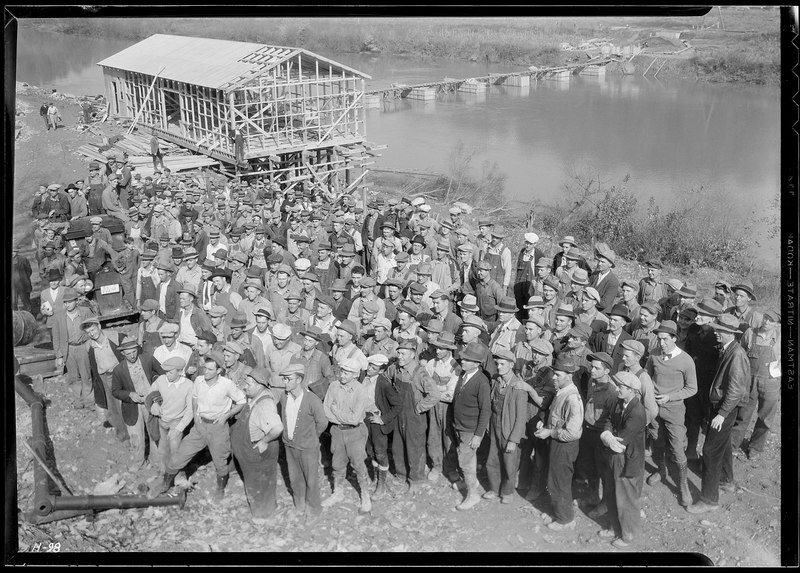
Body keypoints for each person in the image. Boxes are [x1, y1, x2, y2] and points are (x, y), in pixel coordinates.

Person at [154, 352, 246, 500]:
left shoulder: (227, 385)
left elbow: (242, 401)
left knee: (220, 462)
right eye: (205, 368)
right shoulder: (198, 381)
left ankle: (220, 489)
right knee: (179, 456)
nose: (205, 372)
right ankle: (165, 484)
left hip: (218, 428)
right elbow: (195, 397)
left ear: (219, 371)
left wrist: (226, 416)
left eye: (210, 369)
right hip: (200, 426)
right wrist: (196, 415)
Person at [687, 314, 749, 514]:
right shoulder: (727, 349)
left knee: (711, 451)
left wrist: (722, 413)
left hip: (725, 409)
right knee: (722, 445)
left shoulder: (736, 354)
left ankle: (709, 499)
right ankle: (726, 480)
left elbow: (736, 389)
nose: (715, 334)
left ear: (729, 333)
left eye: (719, 331)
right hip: (722, 407)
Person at [644, 320, 697, 508]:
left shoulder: (686, 360)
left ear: (675, 338)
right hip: (654, 408)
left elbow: (692, 388)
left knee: (676, 447)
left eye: (666, 339)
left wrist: (670, 396)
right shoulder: (654, 355)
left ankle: (683, 485)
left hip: (674, 409)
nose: (662, 344)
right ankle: (661, 470)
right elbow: (647, 375)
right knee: (656, 440)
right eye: (659, 339)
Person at [598, 371, 648, 548]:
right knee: (611, 492)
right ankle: (614, 526)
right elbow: (609, 420)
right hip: (614, 456)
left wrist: (608, 438)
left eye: (621, 387)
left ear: (632, 390)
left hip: (627, 460)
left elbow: (621, 440)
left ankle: (629, 534)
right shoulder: (620, 402)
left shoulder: (637, 412)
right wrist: (607, 433)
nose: (617, 389)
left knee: (626, 498)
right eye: (618, 385)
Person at [534, 355, 584, 531]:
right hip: (557, 443)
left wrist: (550, 432)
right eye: (554, 374)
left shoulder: (572, 398)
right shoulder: (561, 391)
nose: (553, 378)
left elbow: (573, 432)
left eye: (558, 375)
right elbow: (557, 417)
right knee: (554, 479)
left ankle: (565, 519)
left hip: (565, 446)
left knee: (559, 483)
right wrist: (546, 424)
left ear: (569, 376)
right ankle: (558, 512)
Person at [230, 367, 284, 523]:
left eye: (249, 384)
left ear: (260, 385)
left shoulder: (264, 405)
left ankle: (263, 516)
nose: (245, 386)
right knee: (260, 481)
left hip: (258, 451)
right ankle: (268, 507)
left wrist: (264, 441)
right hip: (249, 450)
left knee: (260, 482)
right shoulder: (254, 397)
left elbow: (277, 428)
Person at [386, 338, 440, 491]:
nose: (400, 357)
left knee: (414, 448)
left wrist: (419, 408)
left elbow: (434, 395)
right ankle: (401, 475)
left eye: (403, 354)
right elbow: (385, 379)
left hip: (414, 417)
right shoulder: (395, 368)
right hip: (399, 414)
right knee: (398, 446)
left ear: (412, 355)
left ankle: (416, 479)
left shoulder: (419, 373)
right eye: (399, 353)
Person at [321, 358, 373, 513]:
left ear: (356, 375)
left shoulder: (360, 390)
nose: (342, 375)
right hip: (337, 431)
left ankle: (365, 495)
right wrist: (339, 416)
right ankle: (338, 492)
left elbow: (354, 419)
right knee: (337, 463)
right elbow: (326, 411)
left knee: (358, 463)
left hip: (355, 432)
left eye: (347, 372)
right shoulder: (333, 386)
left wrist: (337, 411)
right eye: (342, 371)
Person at [279, 364, 328, 522]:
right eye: (284, 378)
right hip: (290, 445)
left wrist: (313, 436)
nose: (285, 382)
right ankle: (299, 505)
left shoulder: (312, 399)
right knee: (295, 478)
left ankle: (314, 510)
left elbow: (322, 422)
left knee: (311, 479)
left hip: (307, 447)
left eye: (288, 379)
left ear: (299, 379)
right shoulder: (284, 396)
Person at [730, 309, 781, 461]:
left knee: (765, 418)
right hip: (749, 380)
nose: (766, 322)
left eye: (770, 320)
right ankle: (732, 446)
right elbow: (740, 354)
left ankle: (755, 448)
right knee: (742, 414)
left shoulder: (780, 337)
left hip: (770, 381)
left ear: (777, 324)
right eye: (765, 318)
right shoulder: (750, 333)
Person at [111, 337, 165, 469]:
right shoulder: (119, 369)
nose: (132, 356)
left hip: (150, 403)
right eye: (128, 353)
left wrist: (154, 387)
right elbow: (115, 391)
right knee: (136, 437)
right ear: (123, 354)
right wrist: (130, 394)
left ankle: (156, 461)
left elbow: (162, 374)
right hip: (132, 407)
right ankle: (138, 462)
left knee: (154, 433)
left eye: (134, 352)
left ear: (137, 349)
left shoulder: (148, 359)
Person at [450, 342, 492, 511]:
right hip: (459, 425)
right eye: (463, 358)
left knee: (466, 462)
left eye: (467, 359)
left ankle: (472, 495)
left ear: (477, 363)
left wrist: (478, 435)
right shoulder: (464, 375)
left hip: (470, 429)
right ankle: (469, 485)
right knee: (467, 459)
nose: (463, 361)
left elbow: (485, 410)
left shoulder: (481, 382)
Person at [483, 349, 528, 504]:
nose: (499, 367)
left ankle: (507, 491)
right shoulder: (495, 380)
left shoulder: (518, 387)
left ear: (511, 365)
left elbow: (521, 417)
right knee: (492, 459)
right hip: (495, 425)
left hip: (509, 429)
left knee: (510, 462)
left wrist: (514, 440)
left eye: (502, 364)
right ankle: (494, 488)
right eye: (497, 364)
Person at [83, 317, 128, 442]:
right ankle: (122, 433)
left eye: (93, 329)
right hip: (105, 377)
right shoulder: (89, 346)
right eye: (88, 332)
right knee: (113, 406)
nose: (92, 333)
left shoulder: (115, 337)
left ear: (99, 326)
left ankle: (137, 430)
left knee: (127, 402)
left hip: (120, 373)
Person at [146, 356, 194, 473]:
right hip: (161, 421)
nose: (167, 375)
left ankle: (178, 476)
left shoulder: (188, 385)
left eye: (171, 372)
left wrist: (178, 429)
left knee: (175, 451)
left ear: (180, 372)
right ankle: (164, 472)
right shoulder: (161, 380)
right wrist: (154, 403)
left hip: (176, 422)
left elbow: (190, 411)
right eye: (166, 372)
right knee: (162, 450)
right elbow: (150, 393)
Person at [51, 288, 96, 409]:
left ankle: (90, 401)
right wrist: (59, 355)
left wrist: (92, 343)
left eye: (70, 301)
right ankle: (78, 401)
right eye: (65, 302)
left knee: (86, 375)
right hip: (68, 349)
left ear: (76, 301)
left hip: (83, 346)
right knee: (73, 376)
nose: (67, 304)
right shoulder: (58, 317)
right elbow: (56, 337)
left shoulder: (85, 311)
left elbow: (94, 325)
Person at [12, 243, 33, 312]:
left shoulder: (23, 259)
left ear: (17, 252)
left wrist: (24, 279)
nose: (12, 253)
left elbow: (29, 270)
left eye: (14, 251)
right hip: (12, 286)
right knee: (13, 302)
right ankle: (15, 318)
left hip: (22, 284)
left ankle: (29, 315)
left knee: (26, 300)